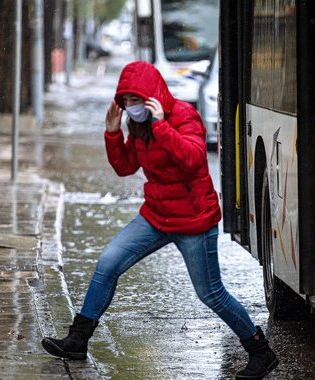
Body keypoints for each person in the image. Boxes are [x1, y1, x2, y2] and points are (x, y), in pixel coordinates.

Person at [41, 61, 278, 379]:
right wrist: (112, 134)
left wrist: (162, 125)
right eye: (126, 101)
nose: (131, 106)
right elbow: (125, 167)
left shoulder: (183, 115)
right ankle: (77, 340)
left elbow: (193, 160)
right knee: (108, 262)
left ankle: (261, 352)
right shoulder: (135, 125)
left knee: (210, 293)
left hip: (194, 219)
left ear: (152, 97)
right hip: (157, 214)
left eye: (136, 100)